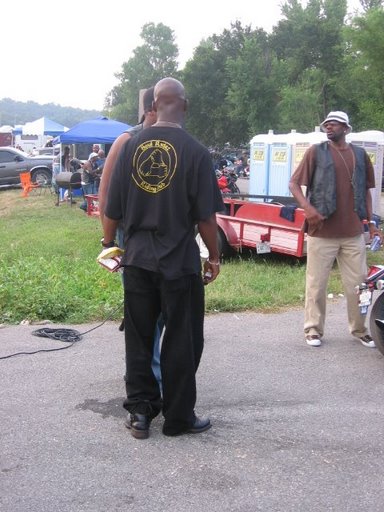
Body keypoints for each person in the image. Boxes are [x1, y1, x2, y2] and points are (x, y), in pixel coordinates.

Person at [102, 77, 224, 439]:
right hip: (178, 261)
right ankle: (178, 418)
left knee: (139, 339)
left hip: (137, 260)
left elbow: (111, 207)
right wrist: (214, 257)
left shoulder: (129, 146)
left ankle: (140, 414)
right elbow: (205, 218)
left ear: (153, 105)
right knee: (182, 339)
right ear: (183, 105)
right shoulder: (197, 152)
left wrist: (108, 243)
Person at [289, 110, 383, 348]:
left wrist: (372, 224)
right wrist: (307, 208)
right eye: (327, 124)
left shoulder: (360, 156)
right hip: (321, 232)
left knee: (360, 285)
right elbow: (294, 183)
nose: (329, 127)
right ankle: (313, 330)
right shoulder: (316, 152)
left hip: (353, 234)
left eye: (335, 124)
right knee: (316, 285)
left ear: (346, 129)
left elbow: (367, 191)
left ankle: (360, 329)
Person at [98, 86, 162, 387]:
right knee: (141, 310)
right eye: (168, 106)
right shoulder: (127, 140)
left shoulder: (171, 142)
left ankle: (146, 371)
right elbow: (107, 195)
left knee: (160, 311)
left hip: (168, 239)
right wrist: (109, 244)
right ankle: (146, 378)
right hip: (131, 237)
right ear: (151, 109)